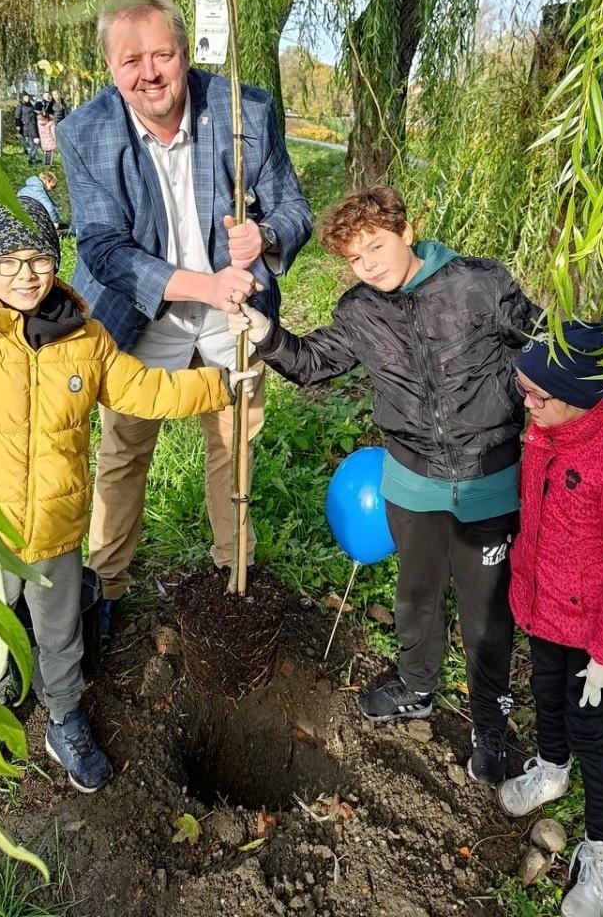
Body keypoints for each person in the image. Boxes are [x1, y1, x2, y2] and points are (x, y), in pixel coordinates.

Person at [229, 185, 541, 784]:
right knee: (417, 595)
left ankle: (490, 722)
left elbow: (541, 344)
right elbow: (311, 363)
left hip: (488, 480)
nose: (369, 265)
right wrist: (265, 332)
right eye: (355, 257)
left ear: (407, 232)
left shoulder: (479, 284)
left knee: (485, 611)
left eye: (376, 246)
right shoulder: (360, 311)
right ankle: (417, 687)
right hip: (411, 480)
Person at [0, 198, 236, 793]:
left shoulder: (85, 336)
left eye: (39, 259)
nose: (26, 275)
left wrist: (221, 383)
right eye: (8, 261)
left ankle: (65, 718)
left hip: (55, 525)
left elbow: (144, 390)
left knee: (61, 633)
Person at [57, 0, 311, 636]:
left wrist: (265, 235)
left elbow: (293, 209)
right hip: (142, 312)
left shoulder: (245, 111)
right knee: (124, 451)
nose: (149, 73)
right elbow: (104, 250)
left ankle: (235, 570)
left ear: (184, 52)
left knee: (234, 442)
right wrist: (204, 284)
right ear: (110, 67)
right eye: (130, 61)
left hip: (234, 315)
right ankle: (108, 583)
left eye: (162, 55)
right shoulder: (86, 132)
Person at [500, 321, 603, 917]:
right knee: (545, 694)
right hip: (546, 612)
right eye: (523, 389)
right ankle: (550, 767)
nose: (527, 403)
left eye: (538, 395)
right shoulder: (546, 433)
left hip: (593, 635)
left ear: (578, 395)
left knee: (591, 730)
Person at [14, 92, 39, 164]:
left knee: (33, 143)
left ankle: (32, 158)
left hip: (32, 126)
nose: (27, 98)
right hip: (24, 126)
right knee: (27, 143)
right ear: (22, 98)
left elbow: (35, 115)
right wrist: (18, 126)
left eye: (28, 97)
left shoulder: (32, 105)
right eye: (25, 97)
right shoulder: (20, 106)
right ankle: (29, 158)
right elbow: (17, 117)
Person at [36, 101, 58, 167]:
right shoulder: (51, 123)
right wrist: (55, 140)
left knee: (46, 151)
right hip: (50, 138)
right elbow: (53, 132)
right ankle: (49, 163)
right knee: (50, 152)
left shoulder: (39, 121)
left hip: (43, 138)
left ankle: (46, 162)